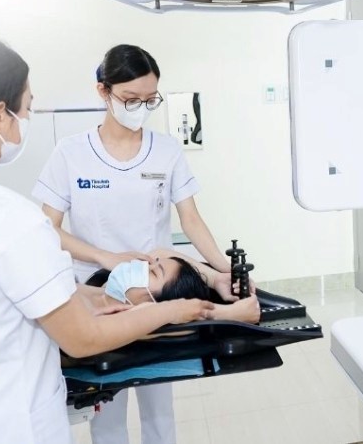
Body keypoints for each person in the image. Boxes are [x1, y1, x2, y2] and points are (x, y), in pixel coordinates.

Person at [0, 35, 214, 444]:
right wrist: (171, 310)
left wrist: (107, 293)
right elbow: (83, 337)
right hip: (2, 425)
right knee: (109, 417)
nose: (27, 118)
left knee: (159, 412)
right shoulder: (11, 218)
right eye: (27, 108)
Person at [31, 44, 250, 444]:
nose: (140, 109)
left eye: (150, 100)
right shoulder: (71, 153)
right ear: (103, 91)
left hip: (155, 294)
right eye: (131, 99)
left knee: (159, 408)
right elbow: (48, 229)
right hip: (98, 294)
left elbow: (191, 220)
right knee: (107, 409)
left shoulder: (166, 150)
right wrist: (104, 257)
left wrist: (224, 270)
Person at [90, 249, 261, 324]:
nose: (141, 264)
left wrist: (228, 312)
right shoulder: (95, 297)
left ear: (151, 305)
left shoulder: (112, 320)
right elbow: (161, 253)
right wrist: (213, 278)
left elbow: (176, 316)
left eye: (153, 272)